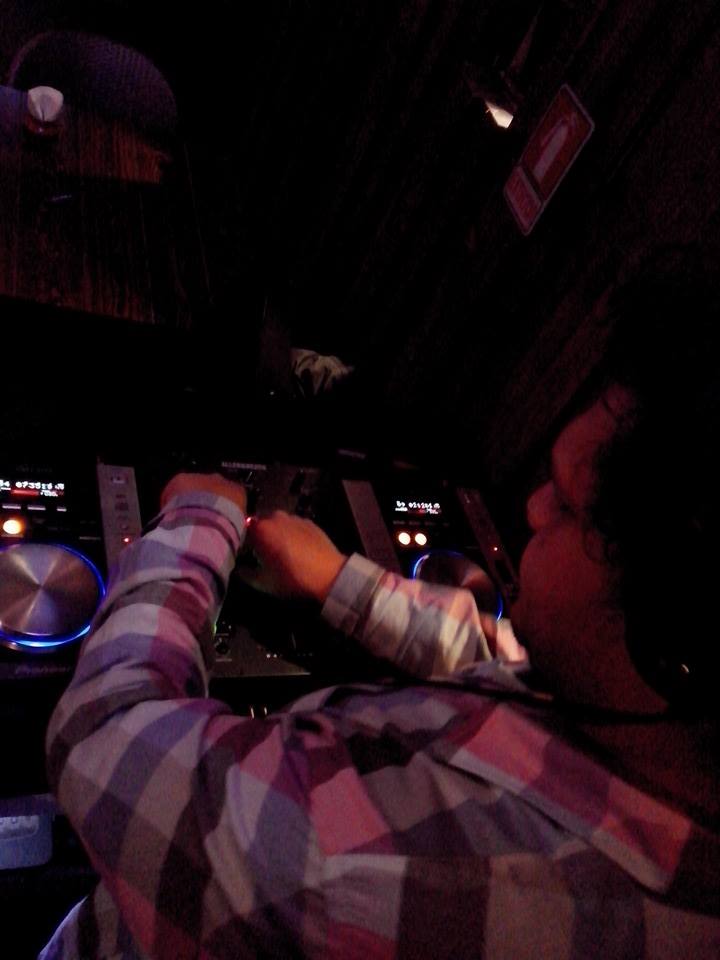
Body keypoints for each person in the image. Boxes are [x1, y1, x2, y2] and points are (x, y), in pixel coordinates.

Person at [40, 269, 720, 958]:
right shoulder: (652, 726)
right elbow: (503, 655)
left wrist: (199, 517)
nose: (534, 508)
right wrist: (340, 580)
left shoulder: (427, 880)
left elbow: (106, 746)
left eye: (569, 508)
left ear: (673, 640)